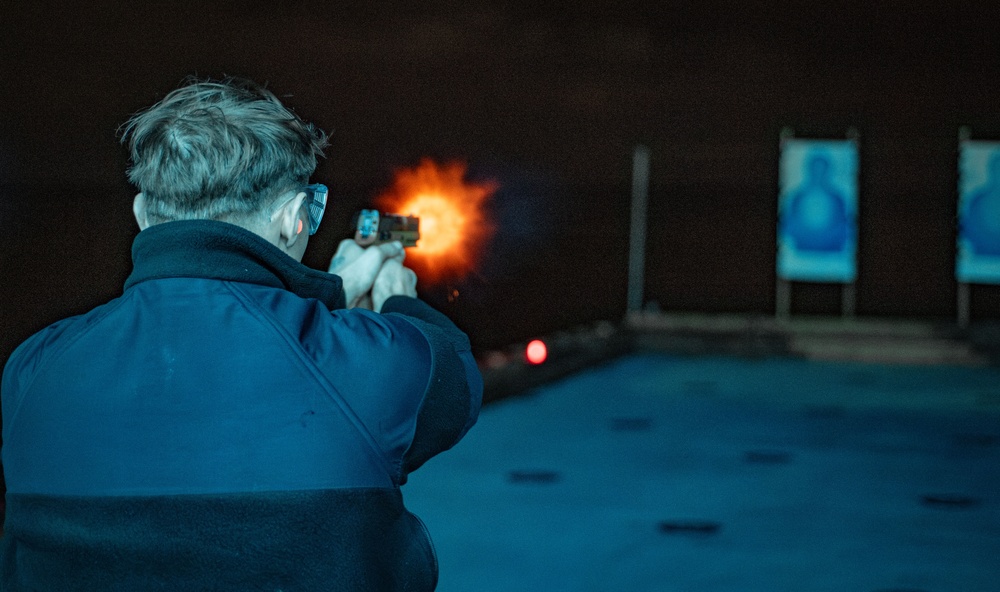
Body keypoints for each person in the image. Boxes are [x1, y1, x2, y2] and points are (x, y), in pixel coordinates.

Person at [0, 76, 482, 591]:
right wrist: (389, 295)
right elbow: (454, 377)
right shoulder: (369, 361)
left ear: (143, 215)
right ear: (295, 218)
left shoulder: (32, 366)